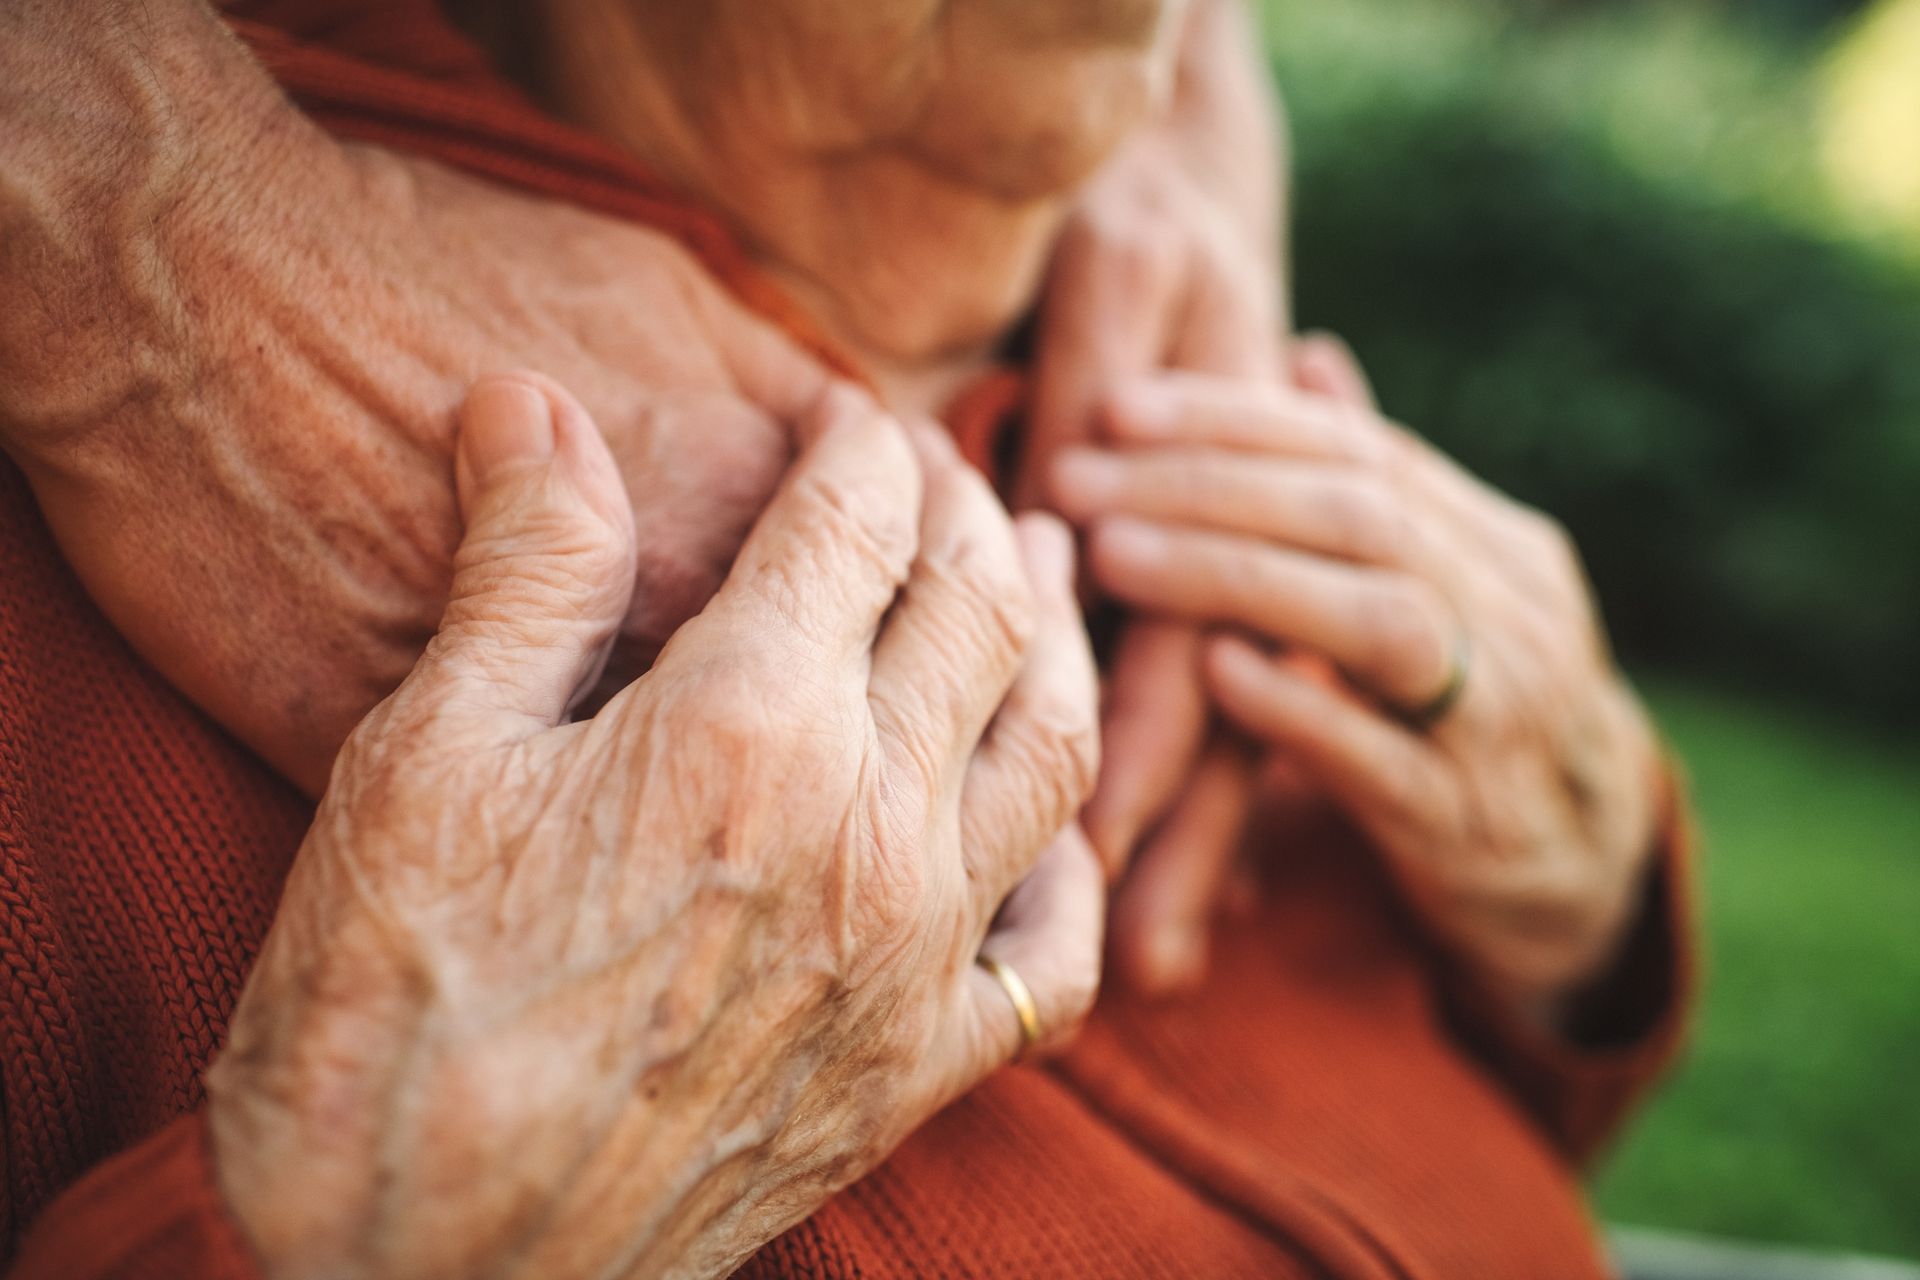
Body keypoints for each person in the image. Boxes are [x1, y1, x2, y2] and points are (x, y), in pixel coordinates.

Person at [0, 1, 1694, 1277]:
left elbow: (1457, 1163)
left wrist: (1591, 917)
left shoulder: (1248, 448)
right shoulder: (110, 548)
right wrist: (376, 1222)